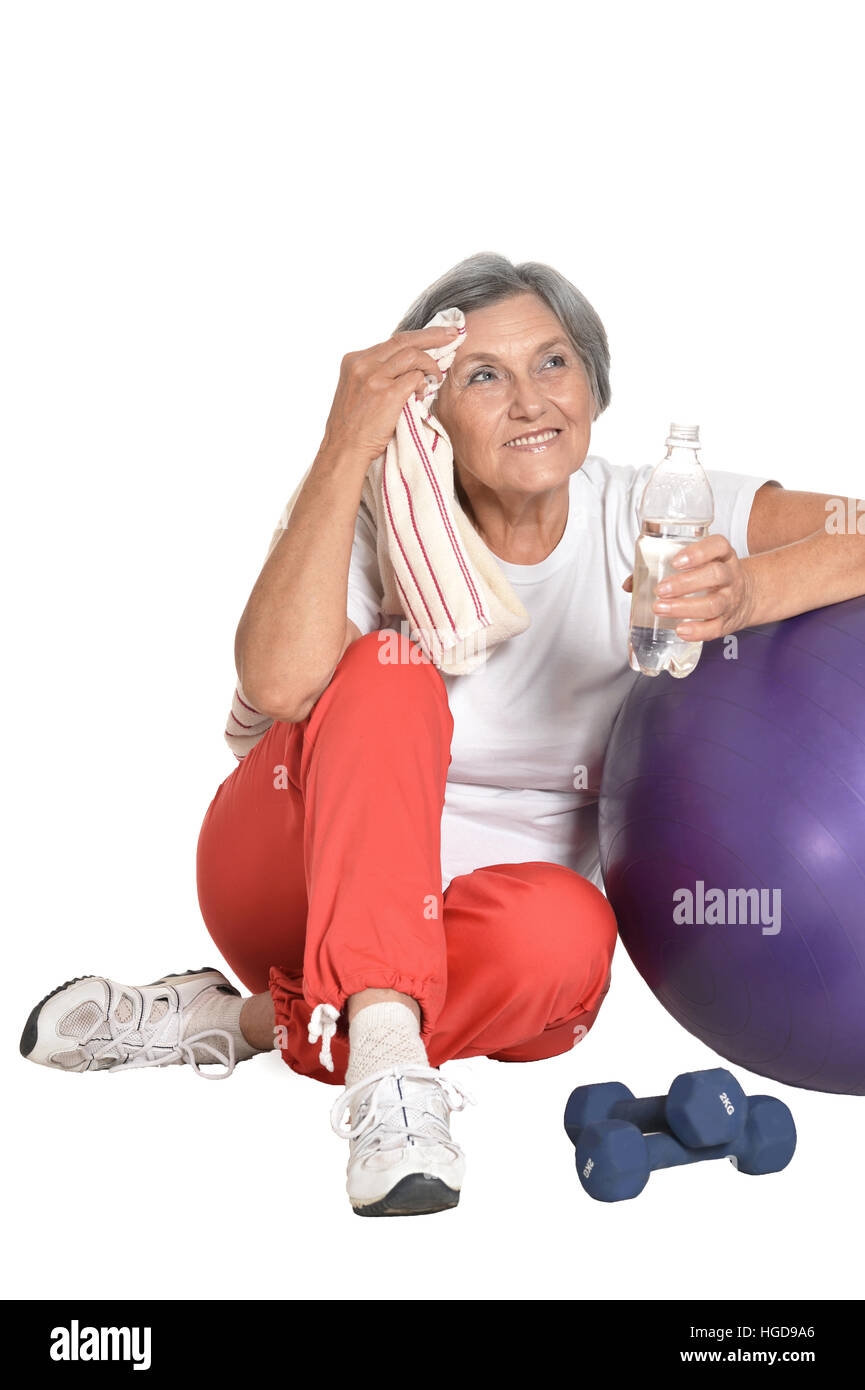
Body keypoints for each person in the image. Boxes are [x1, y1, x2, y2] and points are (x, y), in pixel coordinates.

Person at [20, 253, 865, 1218]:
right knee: (388, 668)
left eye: (553, 363)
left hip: (475, 945)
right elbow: (277, 683)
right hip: (289, 873)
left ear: (592, 382)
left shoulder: (653, 509)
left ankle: (246, 1023)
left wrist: (752, 587)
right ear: (429, 410)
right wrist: (345, 450)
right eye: (483, 376)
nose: (528, 401)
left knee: (571, 938)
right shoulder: (386, 513)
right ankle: (373, 1034)